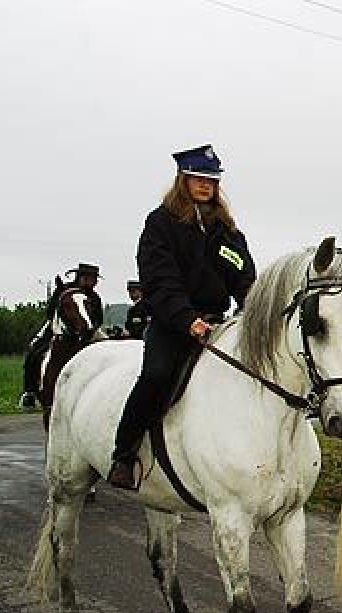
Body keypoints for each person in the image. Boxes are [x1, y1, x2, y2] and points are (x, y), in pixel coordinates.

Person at [108, 144, 256, 490]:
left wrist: (252, 308)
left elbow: (244, 278)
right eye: (198, 178)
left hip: (218, 324)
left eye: (212, 180)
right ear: (182, 180)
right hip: (173, 325)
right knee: (156, 376)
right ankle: (124, 454)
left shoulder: (228, 231)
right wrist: (187, 319)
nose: (206, 185)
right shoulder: (161, 223)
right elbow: (160, 281)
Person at [20, 264, 103, 407]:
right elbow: (50, 312)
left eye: (94, 279)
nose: (92, 282)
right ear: (80, 277)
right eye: (89, 278)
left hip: (88, 330)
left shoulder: (95, 297)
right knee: (34, 353)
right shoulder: (63, 290)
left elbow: (99, 318)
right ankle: (30, 391)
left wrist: (90, 328)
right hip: (58, 328)